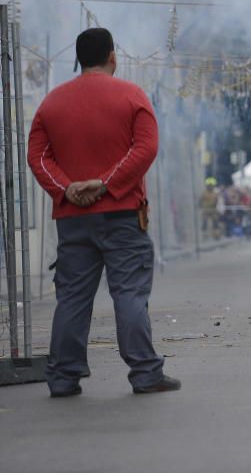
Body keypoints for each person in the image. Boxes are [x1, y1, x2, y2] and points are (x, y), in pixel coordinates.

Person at [27, 28, 180, 397]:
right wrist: (106, 183)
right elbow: (145, 149)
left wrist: (66, 188)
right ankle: (145, 373)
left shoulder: (51, 103)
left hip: (72, 218)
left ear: (78, 59)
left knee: (73, 298)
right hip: (123, 213)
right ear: (113, 56)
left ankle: (63, 378)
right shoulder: (132, 96)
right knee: (128, 294)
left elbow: (37, 156)